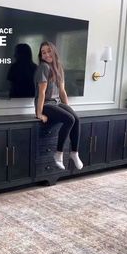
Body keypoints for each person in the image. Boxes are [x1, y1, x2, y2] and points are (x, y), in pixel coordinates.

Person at [34, 41, 83, 170]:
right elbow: (42, 93)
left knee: (75, 118)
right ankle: (59, 153)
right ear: (41, 55)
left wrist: (68, 108)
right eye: (43, 52)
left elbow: (62, 91)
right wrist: (39, 113)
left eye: (48, 51)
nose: (46, 54)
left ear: (54, 52)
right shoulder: (43, 67)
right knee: (69, 119)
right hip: (45, 104)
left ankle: (74, 153)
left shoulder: (59, 67)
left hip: (57, 103)